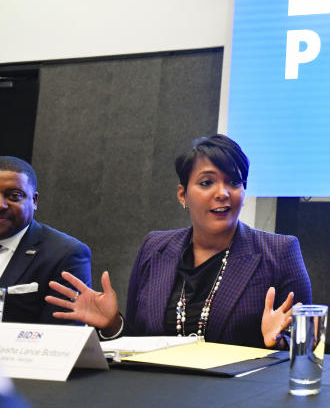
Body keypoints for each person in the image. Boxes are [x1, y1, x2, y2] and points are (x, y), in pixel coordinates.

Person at [45, 134, 311, 348]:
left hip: (239, 402)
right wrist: (113, 325)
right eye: (207, 182)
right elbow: (139, 342)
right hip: (159, 398)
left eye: (234, 182)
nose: (222, 193)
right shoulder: (155, 247)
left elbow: (306, 346)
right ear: (182, 195)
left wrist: (276, 343)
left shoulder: (279, 252)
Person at [0, 156, 91, 324]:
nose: (1, 205)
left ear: (34, 201)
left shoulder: (65, 254)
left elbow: (61, 336)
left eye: (13, 196)